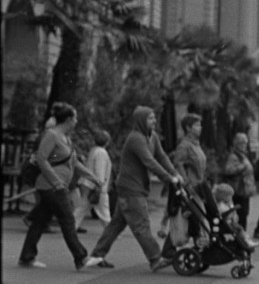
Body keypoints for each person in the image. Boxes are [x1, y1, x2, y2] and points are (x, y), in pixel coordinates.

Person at [84, 106, 182, 272]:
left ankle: (97, 255)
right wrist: (168, 178)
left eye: (154, 117)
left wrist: (175, 173)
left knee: (115, 225)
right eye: (150, 118)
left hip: (133, 188)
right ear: (141, 121)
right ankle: (155, 258)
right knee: (141, 225)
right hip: (131, 188)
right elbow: (149, 161)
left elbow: (162, 156)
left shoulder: (152, 137)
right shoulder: (136, 138)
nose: (154, 121)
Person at [18, 103, 97, 270]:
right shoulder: (51, 135)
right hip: (51, 187)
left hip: (56, 186)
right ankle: (81, 257)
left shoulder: (66, 139)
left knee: (39, 221)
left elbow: (74, 163)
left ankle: (27, 256)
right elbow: (41, 159)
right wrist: (56, 182)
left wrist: (93, 177)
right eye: (75, 117)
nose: (76, 121)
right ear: (68, 119)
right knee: (68, 219)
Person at [161, 113, 207, 257]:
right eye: (197, 125)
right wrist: (185, 182)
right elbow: (177, 163)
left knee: (194, 217)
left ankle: (196, 245)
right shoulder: (184, 145)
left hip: (198, 187)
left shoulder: (196, 144)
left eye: (200, 124)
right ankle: (170, 249)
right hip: (189, 188)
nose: (200, 127)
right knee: (188, 217)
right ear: (188, 128)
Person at [73, 129, 113, 232]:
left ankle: (71, 227)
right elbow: (100, 170)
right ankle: (110, 231)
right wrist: (99, 185)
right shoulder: (102, 153)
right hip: (96, 186)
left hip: (87, 183)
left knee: (83, 207)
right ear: (107, 141)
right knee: (104, 209)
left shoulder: (93, 150)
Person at [221, 132, 257, 230]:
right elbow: (227, 170)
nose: (243, 145)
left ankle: (242, 234)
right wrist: (241, 167)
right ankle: (241, 234)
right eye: (241, 143)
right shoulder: (234, 156)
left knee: (244, 213)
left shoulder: (243, 156)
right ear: (236, 144)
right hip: (239, 190)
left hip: (245, 189)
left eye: (245, 143)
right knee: (241, 214)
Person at [211, 183, 258, 252]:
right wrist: (232, 211)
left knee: (239, 229)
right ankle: (246, 241)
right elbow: (226, 215)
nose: (231, 198)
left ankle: (245, 241)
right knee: (239, 229)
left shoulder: (224, 204)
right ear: (224, 197)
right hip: (226, 224)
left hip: (227, 223)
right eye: (230, 197)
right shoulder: (221, 206)